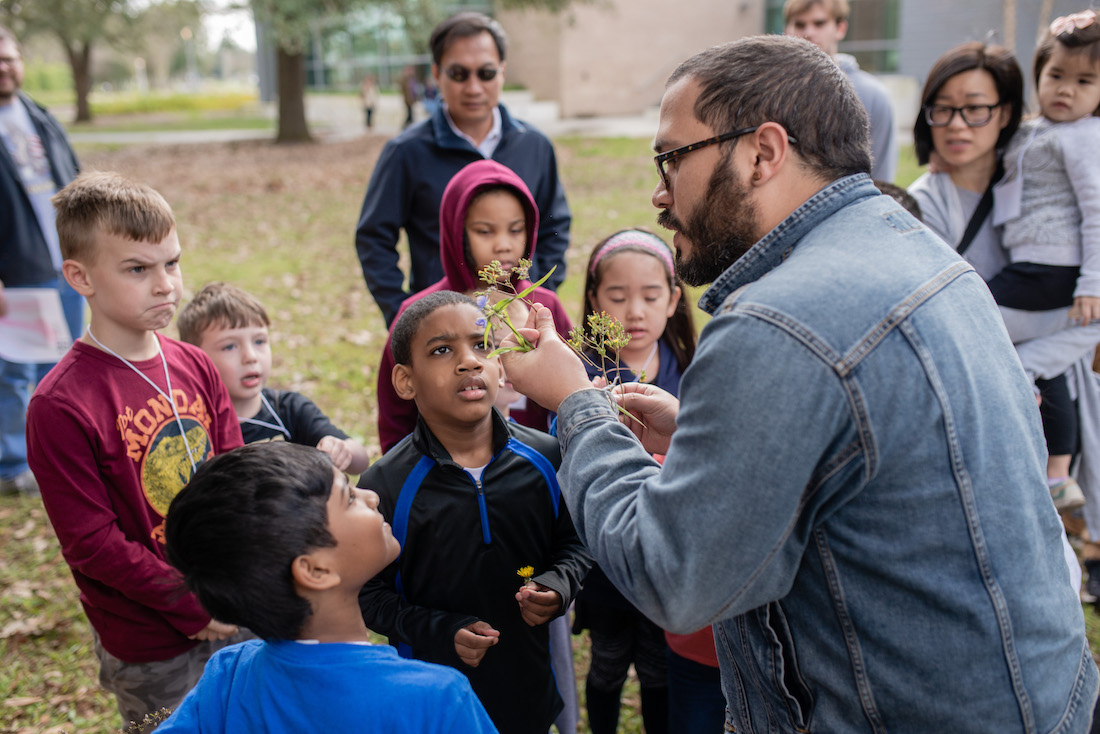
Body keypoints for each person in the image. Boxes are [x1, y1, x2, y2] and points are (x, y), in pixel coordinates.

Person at [498, 35, 1098, 733]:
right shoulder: (919, 249)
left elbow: (674, 576)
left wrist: (574, 404)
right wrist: (701, 432)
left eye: (671, 159)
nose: (659, 194)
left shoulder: (777, 323)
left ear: (762, 151)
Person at [25, 172, 248, 728]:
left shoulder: (196, 364)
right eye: (137, 269)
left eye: (171, 263)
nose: (166, 285)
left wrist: (240, 581)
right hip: (150, 640)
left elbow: (235, 473)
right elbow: (92, 543)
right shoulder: (61, 404)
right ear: (80, 277)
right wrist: (190, 604)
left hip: (236, 600)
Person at [907, 40, 1100, 583]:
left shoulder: (1044, 182)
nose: (957, 123)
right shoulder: (921, 206)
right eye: (941, 108)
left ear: (1007, 113)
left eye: (976, 107)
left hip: (1057, 389)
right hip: (977, 407)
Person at [358, 291, 591, 734]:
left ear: (501, 366)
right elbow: (368, 595)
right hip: (431, 708)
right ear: (405, 381)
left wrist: (561, 584)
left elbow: (577, 541)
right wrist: (439, 631)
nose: (469, 361)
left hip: (527, 697)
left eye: (482, 344)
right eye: (442, 350)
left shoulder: (547, 459)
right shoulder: (384, 486)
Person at [158, 442, 498, 732]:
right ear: (316, 570)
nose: (371, 497)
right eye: (348, 497)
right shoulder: (436, 699)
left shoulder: (229, 676)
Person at [355, 11, 571, 328]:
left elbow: (556, 225)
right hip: (441, 327)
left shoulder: (534, 146)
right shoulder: (406, 152)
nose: (473, 87)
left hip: (518, 328)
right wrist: (403, 317)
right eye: (459, 74)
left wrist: (537, 294)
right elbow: (374, 238)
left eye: (485, 73)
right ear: (437, 74)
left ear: (502, 72)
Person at [572, 228, 698, 734]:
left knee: (657, 668)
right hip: (605, 559)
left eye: (650, 296)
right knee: (606, 663)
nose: (635, 312)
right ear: (594, 301)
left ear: (673, 300)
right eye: (618, 297)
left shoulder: (694, 370)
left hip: (667, 554)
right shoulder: (580, 376)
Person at [375, 159, 572, 453]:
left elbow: (571, 391)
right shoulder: (418, 313)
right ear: (456, 232)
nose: (503, 245)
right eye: (485, 231)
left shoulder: (545, 308)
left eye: (516, 230)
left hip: (538, 473)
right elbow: (396, 419)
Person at [988, 10, 1100, 515]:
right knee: (1042, 360)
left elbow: (1099, 214)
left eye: (1084, 81)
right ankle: (1058, 474)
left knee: (970, 310)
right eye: (1056, 76)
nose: (1066, 91)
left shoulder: (1084, 138)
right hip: (1031, 262)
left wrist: (1092, 283)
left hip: (1052, 270)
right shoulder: (1037, 130)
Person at [0, 25, 82, 496]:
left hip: (65, 266)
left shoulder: (40, 116)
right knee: (14, 371)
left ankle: (57, 454)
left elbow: (73, 178)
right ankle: (12, 465)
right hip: (16, 276)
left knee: (65, 365)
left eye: (9, 58)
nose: (4, 68)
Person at [177, 282, 369, 474]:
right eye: (230, 347)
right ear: (195, 359)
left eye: (259, 341)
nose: (250, 356)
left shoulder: (288, 410)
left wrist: (343, 451)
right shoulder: (190, 425)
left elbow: (361, 460)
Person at [784, 0, 898, 182]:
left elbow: (882, 180)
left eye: (819, 23)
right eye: (800, 24)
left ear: (840, 28)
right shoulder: (774, 94)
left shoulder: (873, 96)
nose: (809, 32)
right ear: (787, 30)